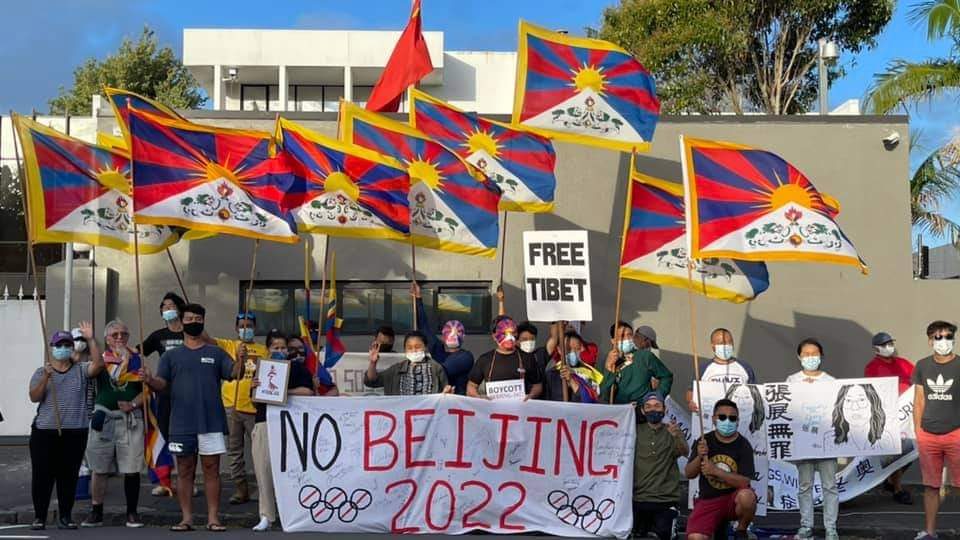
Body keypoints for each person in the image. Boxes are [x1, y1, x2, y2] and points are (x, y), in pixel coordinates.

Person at [144, 303, 241, 532]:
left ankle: (213, 518)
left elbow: (235, 373)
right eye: (189, 319)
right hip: (181, 423)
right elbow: (161, 385)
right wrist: (148, 379)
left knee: (212, 470)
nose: (193, 322)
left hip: (211, 422)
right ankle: (186, 519)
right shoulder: (171, 356)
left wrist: (241, 360)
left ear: (203, 321)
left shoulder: (216, 352)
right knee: (185, 471)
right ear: (182, 322)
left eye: (198, 318)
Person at [28, 323, 103, 530]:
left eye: (67, 344)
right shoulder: (41, 371)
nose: (63, 348)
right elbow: (34, 397)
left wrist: (90, 339)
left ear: (72, 348)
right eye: (59, 344)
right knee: (42, 476)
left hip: (74, 431)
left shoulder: (80, 370)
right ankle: (39, 516)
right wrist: (46, 377)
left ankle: (66, 516)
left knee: (68, 476)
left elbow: (98, 365)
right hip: (44, 432)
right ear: (52, 347)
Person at [82, 320, 147, 529]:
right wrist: (91, 340)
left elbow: (146, 390)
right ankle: (96, 511)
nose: (119, 338)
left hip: (129, 419)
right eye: (115, 335)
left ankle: (132, 513)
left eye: (123, 334)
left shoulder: (137, 360)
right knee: (99, 468)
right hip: (105, 417)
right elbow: (92, 371)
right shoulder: (100, 360)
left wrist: (134, 403)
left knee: (132, 467)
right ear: (107, 338)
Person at [249, 335, 316, 531]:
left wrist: (283, 392)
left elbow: (308, 392)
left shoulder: (297, 368)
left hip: (290, 424)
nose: (280, 350)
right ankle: (266, 516)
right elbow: (254, 401)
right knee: (264, 471)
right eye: (275, 346)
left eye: (283, 347)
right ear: (268, 349)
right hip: (264, 423)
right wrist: (255, 388)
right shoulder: (261, 369)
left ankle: (295, 513)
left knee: (294, 471)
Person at [786, 338, 839, 540]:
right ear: (799, 356)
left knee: (830, 486)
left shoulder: (831, 382)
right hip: (803, 441)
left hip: (826, 442)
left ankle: (831, 528)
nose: (810, 357)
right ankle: (806, 526)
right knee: (805, 485)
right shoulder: (792, 380)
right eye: (806, 354)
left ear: (821, 356)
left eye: (814, 353)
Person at [912, 321, 960, 540]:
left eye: (948, 336)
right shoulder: (922, 366)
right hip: (928, 435)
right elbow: (919, 400)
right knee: (931, 487)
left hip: (956, 433)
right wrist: (918, 433)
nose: (944, 341)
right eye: (938, 337)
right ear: (930, 340)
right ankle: (930, 532)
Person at [684, 398, 757, 540]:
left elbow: (744, 482)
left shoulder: (743, 445)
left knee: (747, 497)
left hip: (733, 500)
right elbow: (689, 474)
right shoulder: (704, 441)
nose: (727, 421)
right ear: (713, 419)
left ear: (737, 420)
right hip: (708, 500)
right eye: (722, 417)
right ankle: (717, 527)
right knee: (695, 537)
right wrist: (699, 456)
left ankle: (741, 530)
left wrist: (716, 471)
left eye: (732, 418)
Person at [215, 312, 267, 505]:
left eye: (250, 325)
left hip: (255, 408)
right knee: (234, 451)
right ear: (236, 328)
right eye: (242, 326)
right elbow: (204, 337)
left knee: (260, 452)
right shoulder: (228, 346)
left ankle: (264, 490)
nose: (246, 329)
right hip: (231, 406)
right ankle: (240, 489)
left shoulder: (264, 350)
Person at [141, 292, 186, 498]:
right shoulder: (158, 336)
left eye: (171, 305)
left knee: (186, 437)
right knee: (164, 435)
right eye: (164, 306)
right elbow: (137, 353)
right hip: (164, 392)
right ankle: (164, 481)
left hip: (187, 393)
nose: (168, 309)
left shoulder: (190, 333)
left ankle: (186, 482)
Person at [864, 331, 914, 504]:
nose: (889, 347)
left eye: (890, 343)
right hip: (889, 415)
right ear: (876, 348)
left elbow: (917, 380)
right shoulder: (872, 367)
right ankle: (897, 489)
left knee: (912, 450)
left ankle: (891, 482)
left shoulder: (903, 363)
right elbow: (872, 390)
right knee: (895, 451)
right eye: (885, 345)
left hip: (908, 414)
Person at [633, 392, 688, 540]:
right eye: (648, 407)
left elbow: (685, 452)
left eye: (657, 406)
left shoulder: (673, 430)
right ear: (643, 411)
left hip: (665, 500)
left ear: (664, 410)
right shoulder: (635, 431)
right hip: (638, 498)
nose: (653, 410)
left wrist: (676, 435)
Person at [413, 282, 475, 395]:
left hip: (457, 403)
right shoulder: (437, 348)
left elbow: (442, 370)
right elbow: (424, 326)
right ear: (443, 335)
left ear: (463, 336)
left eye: (457, 332)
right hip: (436, 399)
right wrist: (418, 298)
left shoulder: (466, 357)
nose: (452, 335)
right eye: (449, 332)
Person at [467, 316, 543, 400]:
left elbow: (538, 385)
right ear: (494, 336)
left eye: (512, 332)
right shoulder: (484, 360)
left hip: (520, 410)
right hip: (493, 410)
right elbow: (471, 386)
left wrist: (530, 396)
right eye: (504, 334)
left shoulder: (527, 358)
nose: (509, 338)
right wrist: (479, 397)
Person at [600, 321, 673, 406]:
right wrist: (608, 368)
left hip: (642, 410)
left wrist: (657, 397)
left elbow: (666, 376)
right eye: (622, 336)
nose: (627, 339)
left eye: (630, 335)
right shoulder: (609, 361)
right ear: (613, 341)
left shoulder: (645, 356)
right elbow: (604, 396)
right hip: (620, 412)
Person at [687, 328, 757, 412]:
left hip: (740, 420)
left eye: (729, 342)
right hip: (711, 420)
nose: (726, 346)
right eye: (721, 343)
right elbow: (691, 392)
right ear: (713, 346)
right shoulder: (703, 369)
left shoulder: (745, 367)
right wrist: (691, 402)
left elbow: (756, 393)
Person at [364, 331, 454, 395]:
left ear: (425, 347)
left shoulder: (436, 368)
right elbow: (372, 381)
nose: (414, 350)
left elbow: (445, 394)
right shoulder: (396, 370)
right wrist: (373, 363)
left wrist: (447, 394)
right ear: (405, 350)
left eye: (418, 346)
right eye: (409, 347)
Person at [541, 326, 592, 402]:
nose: (573, 353)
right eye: (568, 350)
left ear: (581, 348)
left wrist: (571, 380)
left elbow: (589, 400)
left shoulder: (588, 373)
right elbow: (546, 403)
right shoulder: (551, 375)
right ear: (559, 350)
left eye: (576, 349)